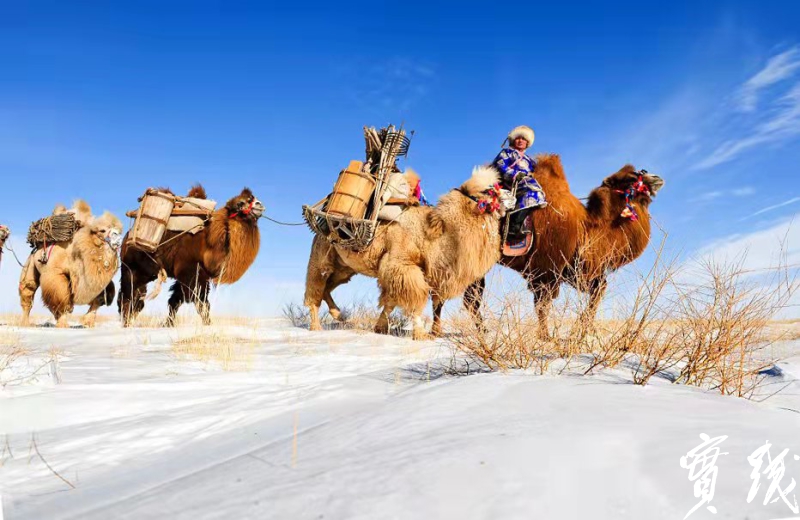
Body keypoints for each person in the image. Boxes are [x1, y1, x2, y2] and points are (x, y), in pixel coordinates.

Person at [492, 125, 546, 238]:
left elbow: (536, 171)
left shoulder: (529, 160)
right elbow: (500, 165)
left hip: (526, 183)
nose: (521, 141)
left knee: (539, 193)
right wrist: (514, 174)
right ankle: (513, 225)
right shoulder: (506, 152)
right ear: (513, 140)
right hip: (510, 183)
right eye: (518, 138)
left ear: (527, 142)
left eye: (524, 139)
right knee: (534, 192)